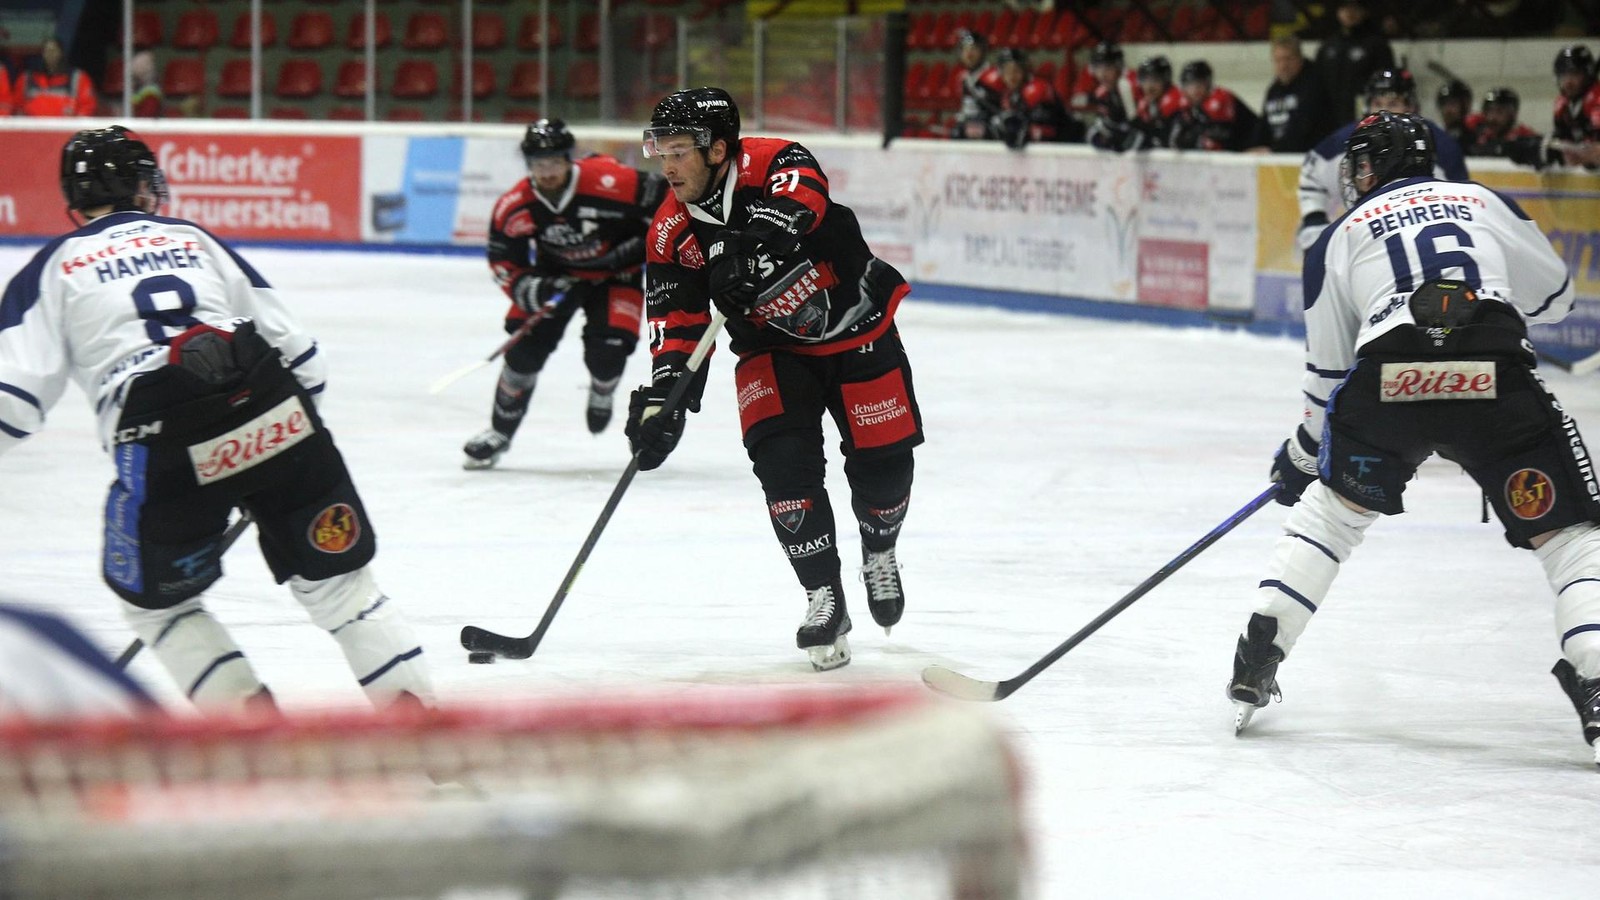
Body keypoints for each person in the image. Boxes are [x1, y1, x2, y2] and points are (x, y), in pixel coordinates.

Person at [0, 127, 435, 712]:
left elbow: (12, 408)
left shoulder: (51, 268)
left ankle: (257, 747)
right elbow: (306, 362)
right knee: (343, 593)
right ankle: (437, 751)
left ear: (75, 204)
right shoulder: (193, 239)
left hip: (160, 435)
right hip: (268, 396)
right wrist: (265, 448)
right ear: (139, 185)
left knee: (161, 608)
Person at [1226, 111, 1600, 766]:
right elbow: (1560, 298)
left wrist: (1301, 460)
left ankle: (1259, 652)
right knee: (1571, 536)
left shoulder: (1338, 236)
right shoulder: (1483, 199)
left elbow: (1329, 377)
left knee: (1331, 518)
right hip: (1493, 377)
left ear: (1367, 169)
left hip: (1387, 383)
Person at [628, 87, 922, 672]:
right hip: (772, 350)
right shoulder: (669, 231)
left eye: (678, 149)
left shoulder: (775, 160)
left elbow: (803, 200)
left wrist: (752, 248)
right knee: (783, 471)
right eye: (658, 150)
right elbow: (677, 319)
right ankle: (824, 596)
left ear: (717, 151)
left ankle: (879, 545)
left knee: (885, 470)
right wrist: (667, 394)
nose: (666, 164)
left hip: (856, 326)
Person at [465, 118, 667, 469]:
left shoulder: (612, 181)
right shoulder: (516, 205)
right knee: (523, 353)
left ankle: (602, 388)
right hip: (555, 276)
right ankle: (499, 432)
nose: (547, 172)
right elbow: (502, 259)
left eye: (554, 163)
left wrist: (641, 248)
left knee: (608, 353)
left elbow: (671, 205)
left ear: (568, 158)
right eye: (538, 165)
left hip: (617, 276)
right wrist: (530, 288)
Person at [1296, 69, 1469, 254]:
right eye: (1377, 103)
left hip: (1422, 246)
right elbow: (1312, 179)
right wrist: (1314, 219)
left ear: (1410, 106)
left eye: (1393, 103)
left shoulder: (1441, 147)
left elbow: (1460, 204)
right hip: (1365, 242)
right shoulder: (1346, 142)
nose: (1384, 112)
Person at [1253, 36, 1338, 153]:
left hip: (1310, 157)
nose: (1283, 65)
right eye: (1278, 60)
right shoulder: (1274, 90)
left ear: (1299, 59)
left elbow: (1304, 128)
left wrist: (1274, 150)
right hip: (1281, 159)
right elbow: (1264, 127)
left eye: (1288, 59)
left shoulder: (1315, 85)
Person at [1314, 0, 1395, 121]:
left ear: (1363, 11)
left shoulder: (1377, 45)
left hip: (1365, 118)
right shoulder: (1328, 46)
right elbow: (1318, 84)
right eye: (1345, 8)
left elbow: (1387, 84)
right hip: (1331, 119)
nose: (1349, 13)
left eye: (1354, 8)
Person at [990, 47, 1073, 148]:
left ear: (1024, 70)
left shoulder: (1037, 88)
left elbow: (1046, 130)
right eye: (1007, 71)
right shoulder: (1008, 95)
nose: (1011, 76)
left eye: (1016, 70)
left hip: (1062, 147)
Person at [1171, 60, 1260, 152]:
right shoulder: (1189, 107)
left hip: (1254, 148)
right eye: (1189, 85)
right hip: (1238, 151)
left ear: (1208, 84)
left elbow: (1223, 137)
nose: (1194, 90)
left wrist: (1193, 135)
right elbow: (1178, 140)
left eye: (1199, 84)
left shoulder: (1220, 99)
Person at [13, 37, 95, 118]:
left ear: (61, 53)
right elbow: (17, 106)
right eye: (46, 51)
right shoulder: (27, 78)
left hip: (65, 129)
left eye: (53, 51)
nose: (50, 54)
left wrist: (75, 126)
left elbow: (87, 106)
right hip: (33, 128)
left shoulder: (78, 78)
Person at [1085, 42, 1143, 152]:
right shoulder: (1102, 92)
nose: (1102, 74)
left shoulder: (1129, 86)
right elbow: (1097, 133)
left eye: (1107, 68)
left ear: (1119, 67)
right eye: (1098, 68)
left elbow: (1137, 132)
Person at [1551, 45, 1600, 169]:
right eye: (1563, 75)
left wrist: (1588, 155)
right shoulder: (1561, 105)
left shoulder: (1596, 100)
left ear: (1588, 74)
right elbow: (1562, 140)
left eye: (1574, 74)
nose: (1568, 82)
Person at [951, 29, 1004, 141]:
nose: (969, 54)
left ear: (983, 51)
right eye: (965, 50)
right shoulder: (962, 77)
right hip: (970, 132)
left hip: (991, 134)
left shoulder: (995, 76)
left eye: (974, 49)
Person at [1464, 88, 1541, 161]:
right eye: (1489, 112)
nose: (1492, 118)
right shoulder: (1477, 127)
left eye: (1500, 112)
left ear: (1511, 115)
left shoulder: (1524, 136)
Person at [1132, 55, 1184, 149]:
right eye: (1144, 80)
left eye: (1155, 80)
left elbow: (1173, 144)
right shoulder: (1145, 105)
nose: (1149, 87)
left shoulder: (1177, 103)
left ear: (1166, 81)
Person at [1436, 79, 1473, 144]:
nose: (1447, 110)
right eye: (1443, 103)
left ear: (1463, 107)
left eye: (1452, 104)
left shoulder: (1474, 139)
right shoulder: (1436, 136)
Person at [129, 50, 164, 118]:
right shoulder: (137, 87)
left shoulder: (151, 93)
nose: (132, 67)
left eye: (139, 64)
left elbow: (145, 118)